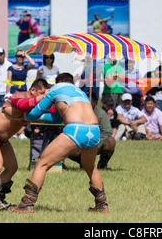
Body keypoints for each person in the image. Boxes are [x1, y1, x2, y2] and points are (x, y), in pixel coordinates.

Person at [12, 73, 109, 213]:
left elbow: (37, 112)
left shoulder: (56, 89)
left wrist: (26, 117)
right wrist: (36, 119)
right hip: (94, 130)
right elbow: (58, 116)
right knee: (90, 167)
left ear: (58, 82)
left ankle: (26, 204)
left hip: (75, 129)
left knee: (42, 164)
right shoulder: (81, 93)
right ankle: (102, 205)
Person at [0, 78, 49, 210]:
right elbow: (22, 105)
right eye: (42, 92)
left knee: (12, 167)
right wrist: (45, 97)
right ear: (33, 90)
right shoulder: (19, 95)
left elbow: (50, 110)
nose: (44, 96)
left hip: (3, 140)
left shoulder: (35, 105)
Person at [68, 91, 116, 170]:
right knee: (67, 145)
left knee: (110, 141)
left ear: (95, 102)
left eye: (89, 101)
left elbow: (107, 131)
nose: (86, 103)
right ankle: (83, 163)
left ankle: (102, 164)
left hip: (96, 143)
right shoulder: (75, 112)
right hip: (78, 143)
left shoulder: (101, 113)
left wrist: (94, 144)